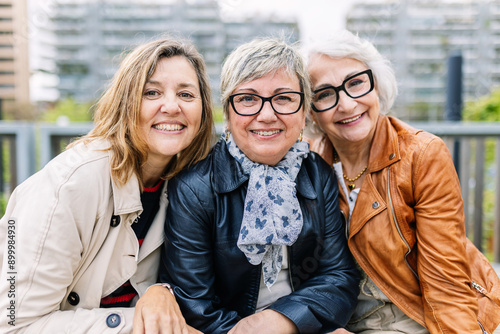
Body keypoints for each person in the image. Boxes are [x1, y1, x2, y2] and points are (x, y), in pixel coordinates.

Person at [0, 37, 214, 333]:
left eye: (186, 94)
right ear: (126, 103)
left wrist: (161, 291)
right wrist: (139, 324)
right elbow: (14, 324)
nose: (171, 106)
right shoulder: (72, 184)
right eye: (151, 92)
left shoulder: (186, 183)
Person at [151, 37, 360, 334]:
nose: (266, 115)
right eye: (247, 99)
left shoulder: (318, 174)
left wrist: (281, 319)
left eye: (284, 98)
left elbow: (338, 277)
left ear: (303, 112)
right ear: (228, 111)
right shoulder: (194, 187)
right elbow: (194, 305)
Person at [305, 30, 500, 334]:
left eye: (356, 83)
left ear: (377, 86)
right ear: (311, 112)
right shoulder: (310, 163)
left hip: (413, 314)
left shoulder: (421, 156)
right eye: (325, 94)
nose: (346, 104)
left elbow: (446, 283)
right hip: (341, 320)